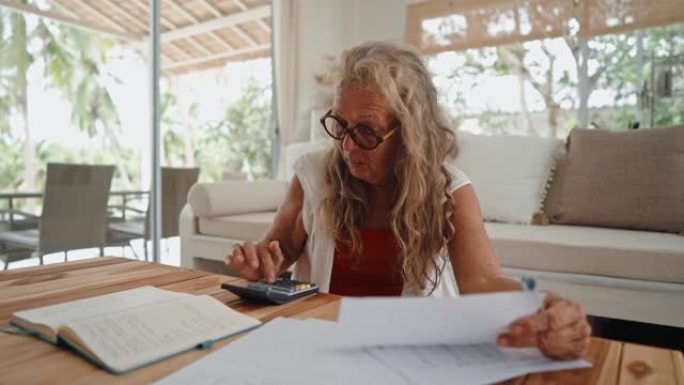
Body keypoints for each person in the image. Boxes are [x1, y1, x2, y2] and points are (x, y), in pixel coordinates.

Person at [226, 41, 591, 360]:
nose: (347, 146)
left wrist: (545, 303)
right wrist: (261, 264)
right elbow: (279, 249)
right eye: (340, 125)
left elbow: (483, 283)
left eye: (366, 131)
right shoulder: (314, 176)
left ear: (410, 133)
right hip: (323, 346)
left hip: (409, 357)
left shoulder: (450, 192)